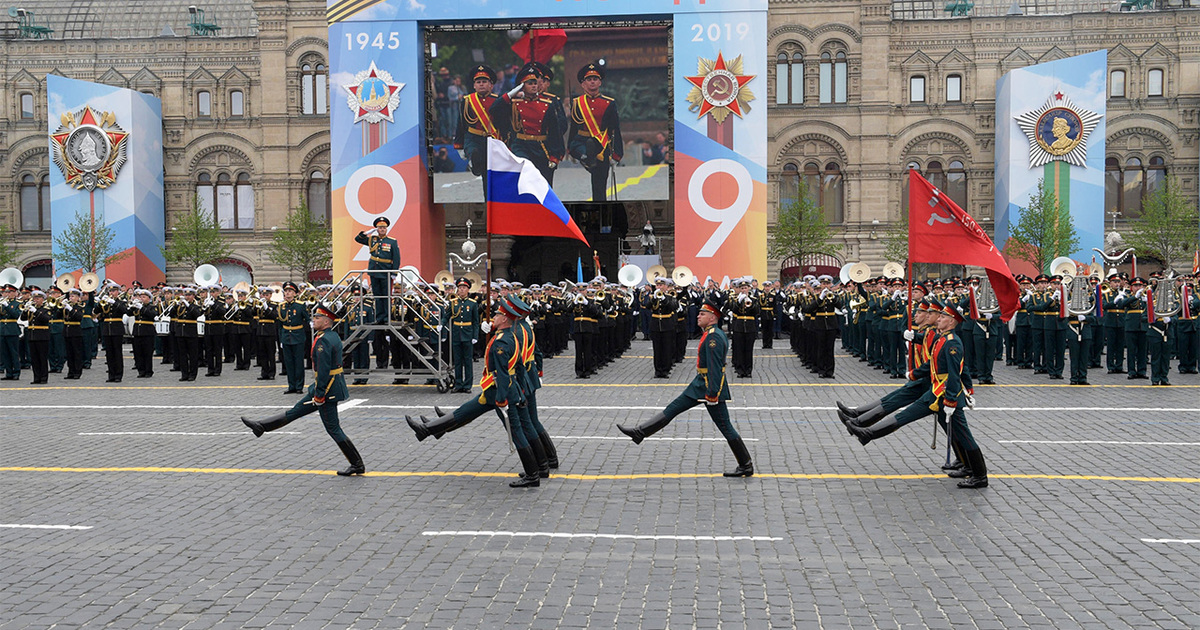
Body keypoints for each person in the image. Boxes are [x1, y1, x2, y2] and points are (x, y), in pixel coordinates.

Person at [405, 296, 544, 488]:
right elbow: (519, 367)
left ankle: (533, 475)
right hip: (503, 390)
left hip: (499, 392)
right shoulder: (509, 337)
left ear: (504, 319)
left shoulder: (501, 342)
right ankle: (431, 429)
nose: (494, 317)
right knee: (468, 410)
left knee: (517, 432)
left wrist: (504, 399)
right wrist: (520, 392)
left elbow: (504, 374)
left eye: (497, 315)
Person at [617, 298, 754, 477]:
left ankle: (746, 464)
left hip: (709, 387)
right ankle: (640, 432)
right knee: (673, 408)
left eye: (702, 314)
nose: (698, 316)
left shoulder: (714, 337)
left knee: (725, 426)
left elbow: (715, 367)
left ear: (712, 318)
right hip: (700, 384)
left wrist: (712, 394)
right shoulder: (710, 333)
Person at [241, 301, 364, 476]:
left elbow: (323, 370)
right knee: (295, 411)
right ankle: (261, 426)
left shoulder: (324, 341)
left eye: (318, 317)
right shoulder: (332, 336)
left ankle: (357, 464)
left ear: (327, 321)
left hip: (326, 391)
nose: (314, 319)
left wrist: (320, 394)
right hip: (326, 388)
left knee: (333, 428)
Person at [490, 62, 565, 185]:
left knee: (544, 185)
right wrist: (511, 94)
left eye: (535, 83)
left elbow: (554, 131)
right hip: (521, 145)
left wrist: (555, 156)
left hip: (541, 146)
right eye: (530, 83)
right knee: (525, 176)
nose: (534, 86)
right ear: (522, 86)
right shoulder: (514, 103)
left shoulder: (547, 104)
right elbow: (494, 109)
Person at [567, 61, 623, 202]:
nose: (592, 82)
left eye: (595, 79)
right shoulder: (577, 103)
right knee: (582, 150)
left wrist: (616, 154)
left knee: (599, 186)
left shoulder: (609, 103)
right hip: (581, 142)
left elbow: (615, 129)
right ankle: (586, 158)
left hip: (602, 146)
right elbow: (574, 127)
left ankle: (601, 217)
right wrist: (569, 149)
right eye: (589, 80)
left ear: (600, 83)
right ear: (583, 84)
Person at [453, 64, 500, 195]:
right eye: (478, 82)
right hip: (473, 138)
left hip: (492, 140)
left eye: (484, 82)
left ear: (491, 85)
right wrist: (459, 145)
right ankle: (474, 161)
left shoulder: (498, 100)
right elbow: (461, 123)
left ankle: (489, 201)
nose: (481, 84)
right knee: (475, 152)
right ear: (474, 85)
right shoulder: (467, 101)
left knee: (488, 176)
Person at [354, 217, 401, 321]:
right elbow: (357, 239)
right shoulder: (372, 240)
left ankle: (386, 317)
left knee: (386, 296)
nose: (382, 229)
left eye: (384, 227)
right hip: (374, 271)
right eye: (380, 228)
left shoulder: (391, 241)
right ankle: (379, 317)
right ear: (377, 229)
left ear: (387, 229)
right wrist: (366, 233)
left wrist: (394, 272)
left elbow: (396, 258)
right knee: (377, 296)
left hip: (385, 272)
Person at [448, 277, 480, 393]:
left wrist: (475, 336)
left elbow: (476, 322)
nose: (461, 290)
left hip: (468, 334)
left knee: (467, 361)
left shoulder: (472, 303)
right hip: (457, 334)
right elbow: (447, 316)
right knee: (457, 361)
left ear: (468, 290)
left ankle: (467, 385)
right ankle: (458, 384)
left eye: (464, 288)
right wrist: (442, 324)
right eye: (460, 288)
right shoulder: (453, 303)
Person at [279, 281, 309, 394]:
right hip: (286, 337)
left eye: (290, 291)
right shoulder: (281, 306)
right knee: (289, 363)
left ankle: (299, 386)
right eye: (286, 291)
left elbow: (307, 319)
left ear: (295, 294)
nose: (287, 293)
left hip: (298, 336)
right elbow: (280, 325)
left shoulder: (300, 305)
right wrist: (281, 339)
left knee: (298, 362)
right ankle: (291, 385)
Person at [96, 283, 127, 382]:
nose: (111, 293)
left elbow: (124, 310)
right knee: (109, 353)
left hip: (117, 328)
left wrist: (114, 302)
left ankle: (118, 375)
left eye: (113, 291)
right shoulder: (106, 302)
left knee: (117, 352)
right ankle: (111, 375)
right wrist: (99, 303)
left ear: (118, 292)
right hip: (106, 329)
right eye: (110, 291)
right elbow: (96, 311)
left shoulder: (121, 302)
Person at [0, 283, 22, 380]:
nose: (7, 294)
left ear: (15, 293)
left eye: (10, 292)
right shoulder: (2, 303)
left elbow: (16, 315)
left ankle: (16, 372)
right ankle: (8, 372)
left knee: (14, 353)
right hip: (2, 330)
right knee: (4, 353)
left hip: (12, 330)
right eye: (6, 292)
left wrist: (7, 306)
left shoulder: (17, 304)